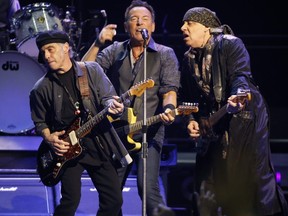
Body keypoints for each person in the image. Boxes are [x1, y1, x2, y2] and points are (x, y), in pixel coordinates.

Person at [179, 7, 288, 216]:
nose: (183, 27)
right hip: (214, 122)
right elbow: (189, 97)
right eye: (184, 23)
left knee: (249, 178)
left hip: (245, 118)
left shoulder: (230, 43)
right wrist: (190, 120)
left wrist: (238, 95)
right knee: (207, 182)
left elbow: (241, 75)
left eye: (190, 23)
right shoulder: (188, 58)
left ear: (207, 28)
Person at [81, 0, 180, 215]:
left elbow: (169, 89)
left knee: (148, 189)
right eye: (133, 19)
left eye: (144, 19)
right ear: (126, 26)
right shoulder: (114, 51)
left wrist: (170, 108)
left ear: (152, 26)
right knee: (112, 193)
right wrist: (98, 43)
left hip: (149, 131)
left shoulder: (165, 54)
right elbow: (83, 71)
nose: (139, 23)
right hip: (117, 132)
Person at [29, 30, 127, 216]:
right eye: (43, 52)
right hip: (68, 150)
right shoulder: (40, 88)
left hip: (98, 144)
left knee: (114, 200)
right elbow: (39, 121)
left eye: (50, 49)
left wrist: (113, 106)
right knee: (70, 201)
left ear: (66, 48)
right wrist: (49, 137)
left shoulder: (91, 70)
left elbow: (107, 97)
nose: (46, 55)